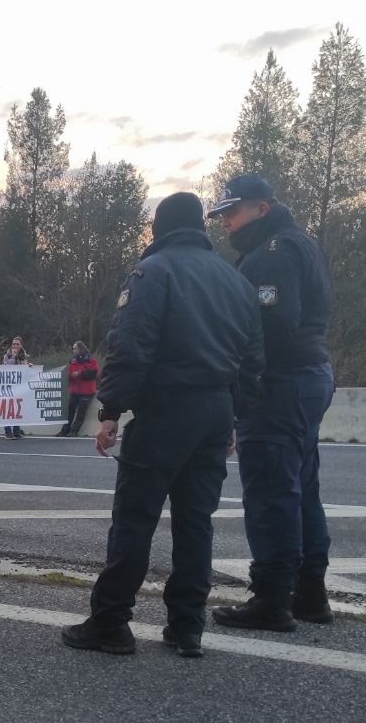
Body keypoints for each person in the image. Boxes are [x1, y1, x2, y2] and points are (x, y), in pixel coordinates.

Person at [63, 192, 264, 659]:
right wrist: (234, 414)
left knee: (134, 520)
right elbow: (253, 359)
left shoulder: (154, 272)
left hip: (167, 410)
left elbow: (131, 345)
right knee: (196, 523)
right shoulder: (235, 280)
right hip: (215, 410)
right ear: (200, 227)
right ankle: (187, 626)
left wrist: (111, 410)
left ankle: (111, 622)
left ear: (159, 228)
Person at [208, 175, 338, 632]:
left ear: (262, 208)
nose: (226, 222)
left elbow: (268, 330)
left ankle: (272, 599)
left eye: (233, 212)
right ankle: (309, 592)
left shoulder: (272, 255)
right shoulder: (302, 245)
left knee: (269, 492)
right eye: (222, 214)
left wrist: (242, 387)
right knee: (302, 486)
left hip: (280, 382)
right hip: (310, 374)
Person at [58, 341, 99, 437]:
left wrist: (80, 374)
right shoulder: (73, 361)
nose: (73, 350)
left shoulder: (91, 360)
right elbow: (69, 373)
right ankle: (65, 430)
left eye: (75, 348)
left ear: (80, 349)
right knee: (69, 411)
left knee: (81, 412)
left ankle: (74, 430)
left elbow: (93, 374)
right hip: (74, 390)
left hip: (87, 391)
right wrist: (68, 376)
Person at [2, 336, 28, 439]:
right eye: (14, 344)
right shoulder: (7, 355)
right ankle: (8, 431)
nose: (15, 346)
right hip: (8, 386)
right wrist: (13, 357)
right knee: (8, 408)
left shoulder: (24, 355)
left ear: (21, 345)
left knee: (18, 408)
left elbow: (24, 368)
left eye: (17, 344)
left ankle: (17, 430)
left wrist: (29, 366)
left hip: (19, 386)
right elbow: (6, 368)